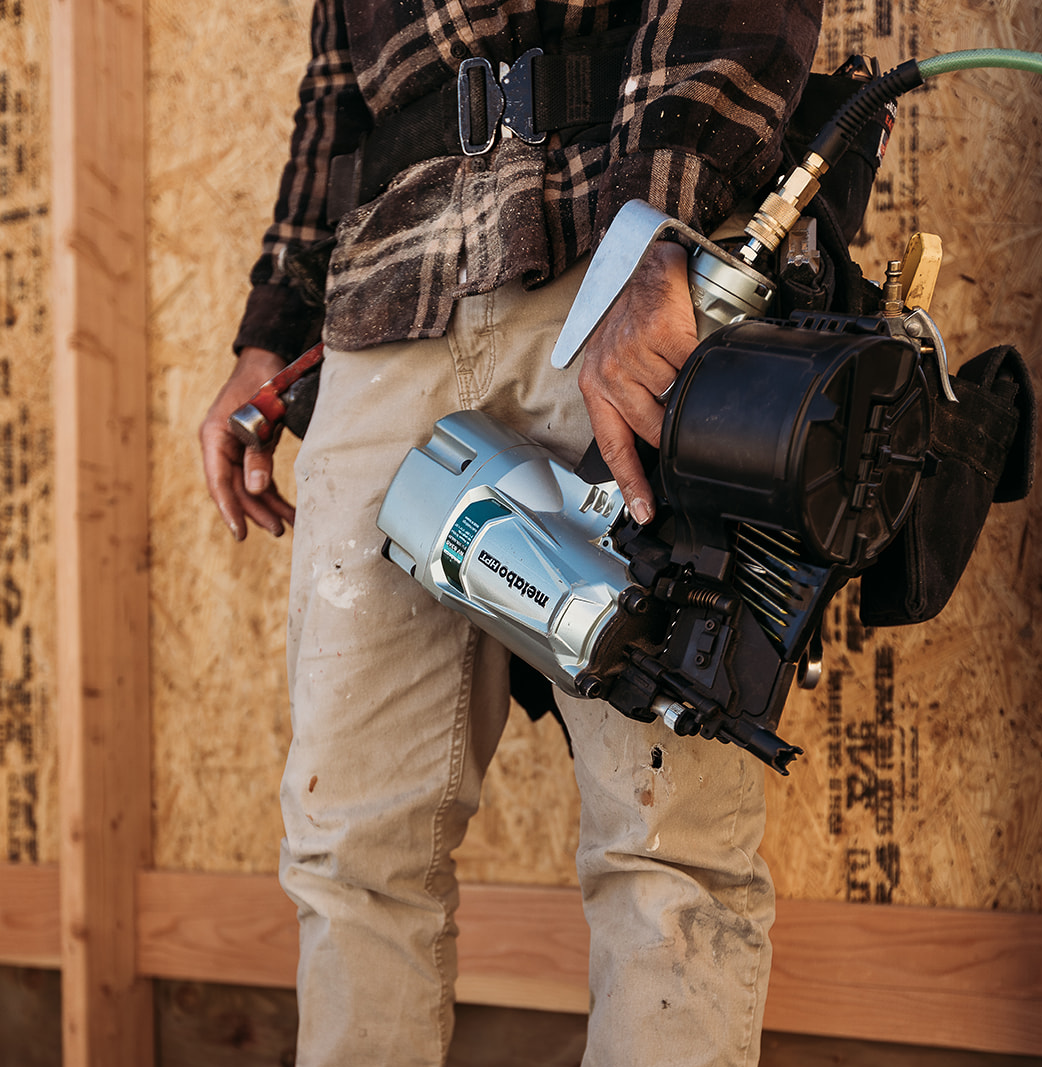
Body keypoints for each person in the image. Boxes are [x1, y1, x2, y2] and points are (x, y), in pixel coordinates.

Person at [200, 2, 823, 1063]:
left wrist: (658, 235)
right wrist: (269, 329)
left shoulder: (645, 252)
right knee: (349, 843)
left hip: (625, 267)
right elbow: (332, 96)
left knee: (665, 854)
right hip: (392, 293)